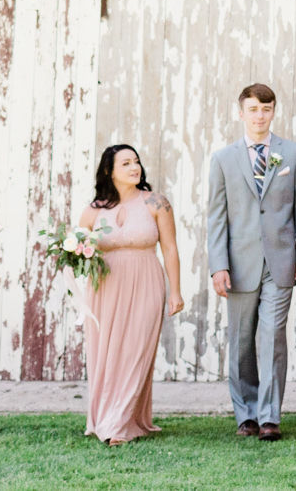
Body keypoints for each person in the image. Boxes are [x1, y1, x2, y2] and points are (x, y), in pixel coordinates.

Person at [205, 82, 296, 442]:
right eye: (253, 109)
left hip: (281, 261)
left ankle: (269, 417)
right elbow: (216, 217)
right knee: (241, 341)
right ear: (241, 113)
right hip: (238, 264)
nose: (260, 116)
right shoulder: (223, 159)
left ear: (273, 112)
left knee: (272, 337)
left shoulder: (294, 154)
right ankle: (245, 414)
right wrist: (218, 265)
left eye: (266, 109)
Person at [80, 144, 182, 445]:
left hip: (147, 282)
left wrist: (175, 291)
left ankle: (118, 424)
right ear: (109, 171)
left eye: (136, 161)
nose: (134, 167)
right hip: (105, 288)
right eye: (125, 163)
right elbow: (79, 249)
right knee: (107, 355)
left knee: (137, 351)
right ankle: (112, 418)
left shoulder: (156, 203)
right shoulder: (93, 210)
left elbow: (171, 249)